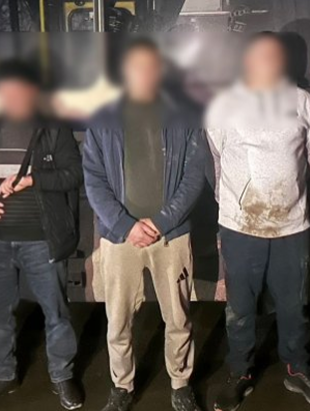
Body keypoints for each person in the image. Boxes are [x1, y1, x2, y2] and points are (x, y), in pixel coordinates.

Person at [206, 32, 310, 411]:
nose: (272, 63)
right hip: (239, 226)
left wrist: (285, 195)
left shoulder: (304, 102)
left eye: (277, 56)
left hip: (291, 227)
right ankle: (239, 372)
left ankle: (297, 369)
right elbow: (216, 157)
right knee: (240, 307)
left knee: (294, 306)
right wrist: (241, 200)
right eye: (263, 56)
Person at [83, 37, 207, 411]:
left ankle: (180, 383)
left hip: (172, 235)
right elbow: (94, 180)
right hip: (120, 237)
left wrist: (163, 220)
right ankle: (122, 386)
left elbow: (195, 175)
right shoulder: (103, 118)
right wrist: (125, 226)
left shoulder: (184, 116)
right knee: (118, 321)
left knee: (178, 318)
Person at [0, 60, 84, 410]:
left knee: (56, 313)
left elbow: (74, 174)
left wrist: (33, 180)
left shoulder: (53, 128)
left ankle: (62, 376)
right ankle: (3, 376)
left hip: (41, 239)